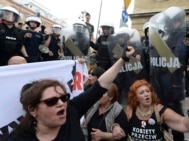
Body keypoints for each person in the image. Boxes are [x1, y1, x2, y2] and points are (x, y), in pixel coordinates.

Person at [5, 46, 135, 141]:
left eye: (64, 97)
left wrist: (123, 59)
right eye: (51, 101)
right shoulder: (19, 137)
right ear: (33, 110)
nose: (61, 103)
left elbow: (100, 85)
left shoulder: (71, 110)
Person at [149, 7, 189, 141]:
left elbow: (177, 57)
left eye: (170, 21)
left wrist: (162, 46)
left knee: (176, 121)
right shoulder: (167, 35)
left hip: (174, 86)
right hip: (159, 86)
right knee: (160, 118)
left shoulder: (184, 34)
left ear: (177, 21)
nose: (167, 24)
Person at [112, 79, 189, 141]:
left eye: (148, 91)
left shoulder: (160, 110)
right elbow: (118, 125)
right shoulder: (130, 110)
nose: (146, 94)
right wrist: (115, 127)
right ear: (136, 98)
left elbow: (184, 125)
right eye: (142, 93)